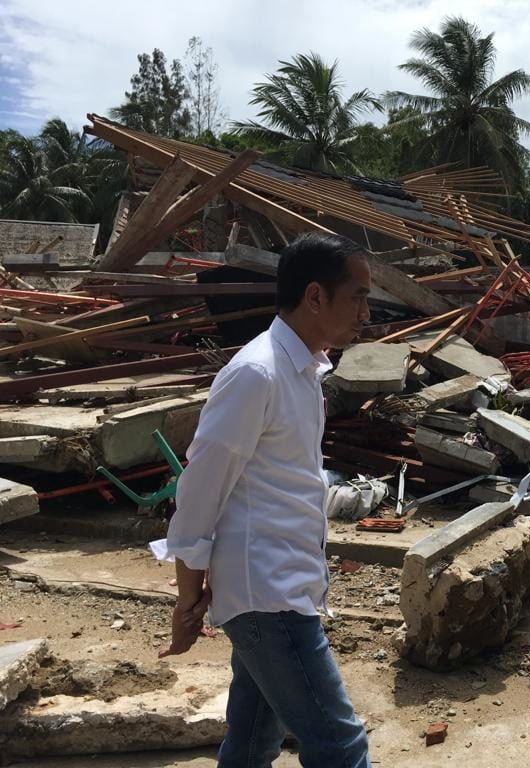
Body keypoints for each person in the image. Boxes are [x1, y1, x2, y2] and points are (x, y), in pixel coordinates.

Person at [150, 232, 373, 767]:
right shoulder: (257, 373)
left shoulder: (304, 371)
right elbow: (200, 491)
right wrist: (188, 599)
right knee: (339, 744)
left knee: (252, 740)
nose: (367, 312)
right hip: (266, 595)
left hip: (281, 586)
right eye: (358, 296)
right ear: (315, 297)